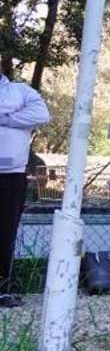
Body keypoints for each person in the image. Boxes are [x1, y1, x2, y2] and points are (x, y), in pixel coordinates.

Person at [0, 73, 48, 310]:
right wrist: (17, 115)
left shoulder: (21, 92)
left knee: (5, 231)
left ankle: (2, 290)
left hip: (11, 174)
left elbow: (41, 114)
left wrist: (6, 118)